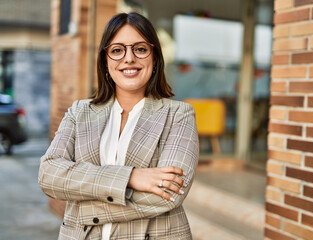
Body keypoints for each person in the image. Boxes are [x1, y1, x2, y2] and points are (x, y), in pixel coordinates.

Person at [38, 12, 199, 240]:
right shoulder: (79, 112)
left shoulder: (179, 115)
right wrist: (131, 177)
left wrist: (82, 203)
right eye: (117, 50)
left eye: (140, 49)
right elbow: (49, 175)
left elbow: (167, 194)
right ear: (105, 61)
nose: (129, 58)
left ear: (155, 58)